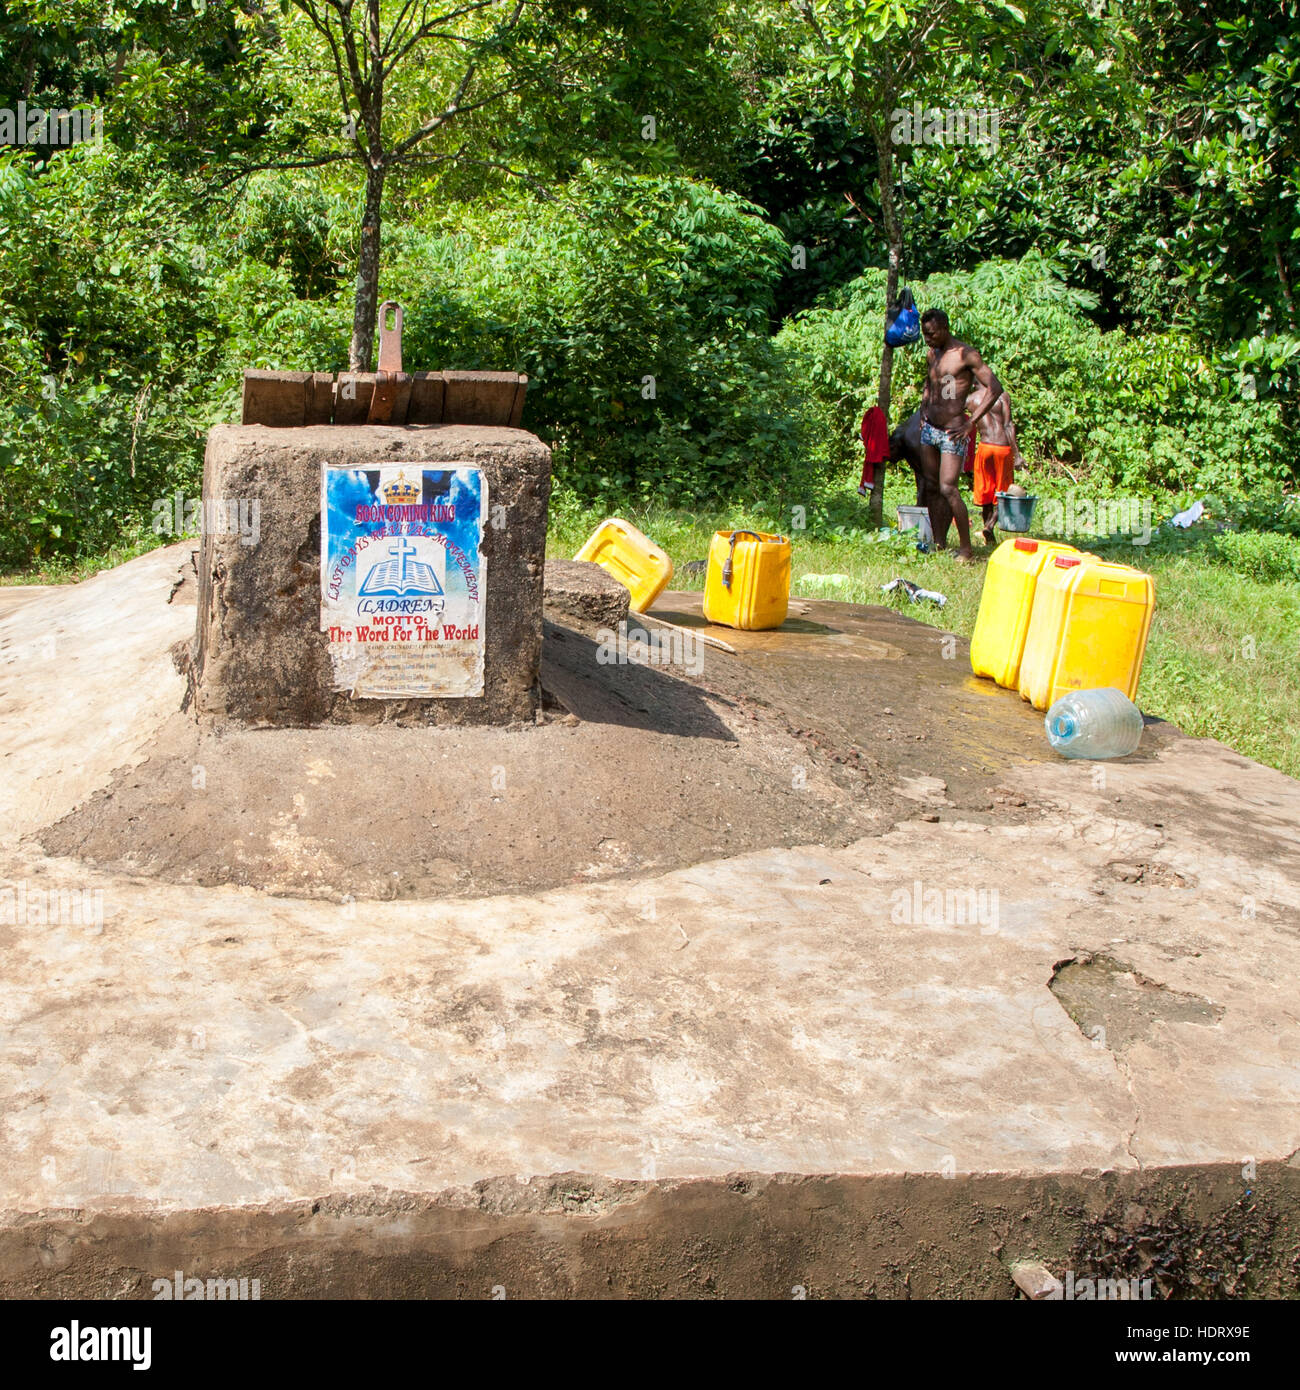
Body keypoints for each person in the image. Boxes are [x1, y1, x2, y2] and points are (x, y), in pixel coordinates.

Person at [917, 308, 1005, 561]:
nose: (927, 339)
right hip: (929, 429)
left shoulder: (966, 355)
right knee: (932, 487)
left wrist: (971, 424)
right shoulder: (932, 353)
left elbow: (995, 387)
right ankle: (939, 542)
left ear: (944, 328)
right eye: (925, 334)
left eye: (931, 334)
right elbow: (929, 384)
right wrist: (923, 412)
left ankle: (966, 548)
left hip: (952, 431)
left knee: (948, 488)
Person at [967, 382, 1023, 545]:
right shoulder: (1001, 396)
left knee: (986, 491)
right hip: (1002, 447)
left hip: (984, 448)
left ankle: (987, 531)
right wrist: (1017, 455)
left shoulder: (971, 399)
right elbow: (1008, 425)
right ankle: (990, 527)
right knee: (1003, 492)